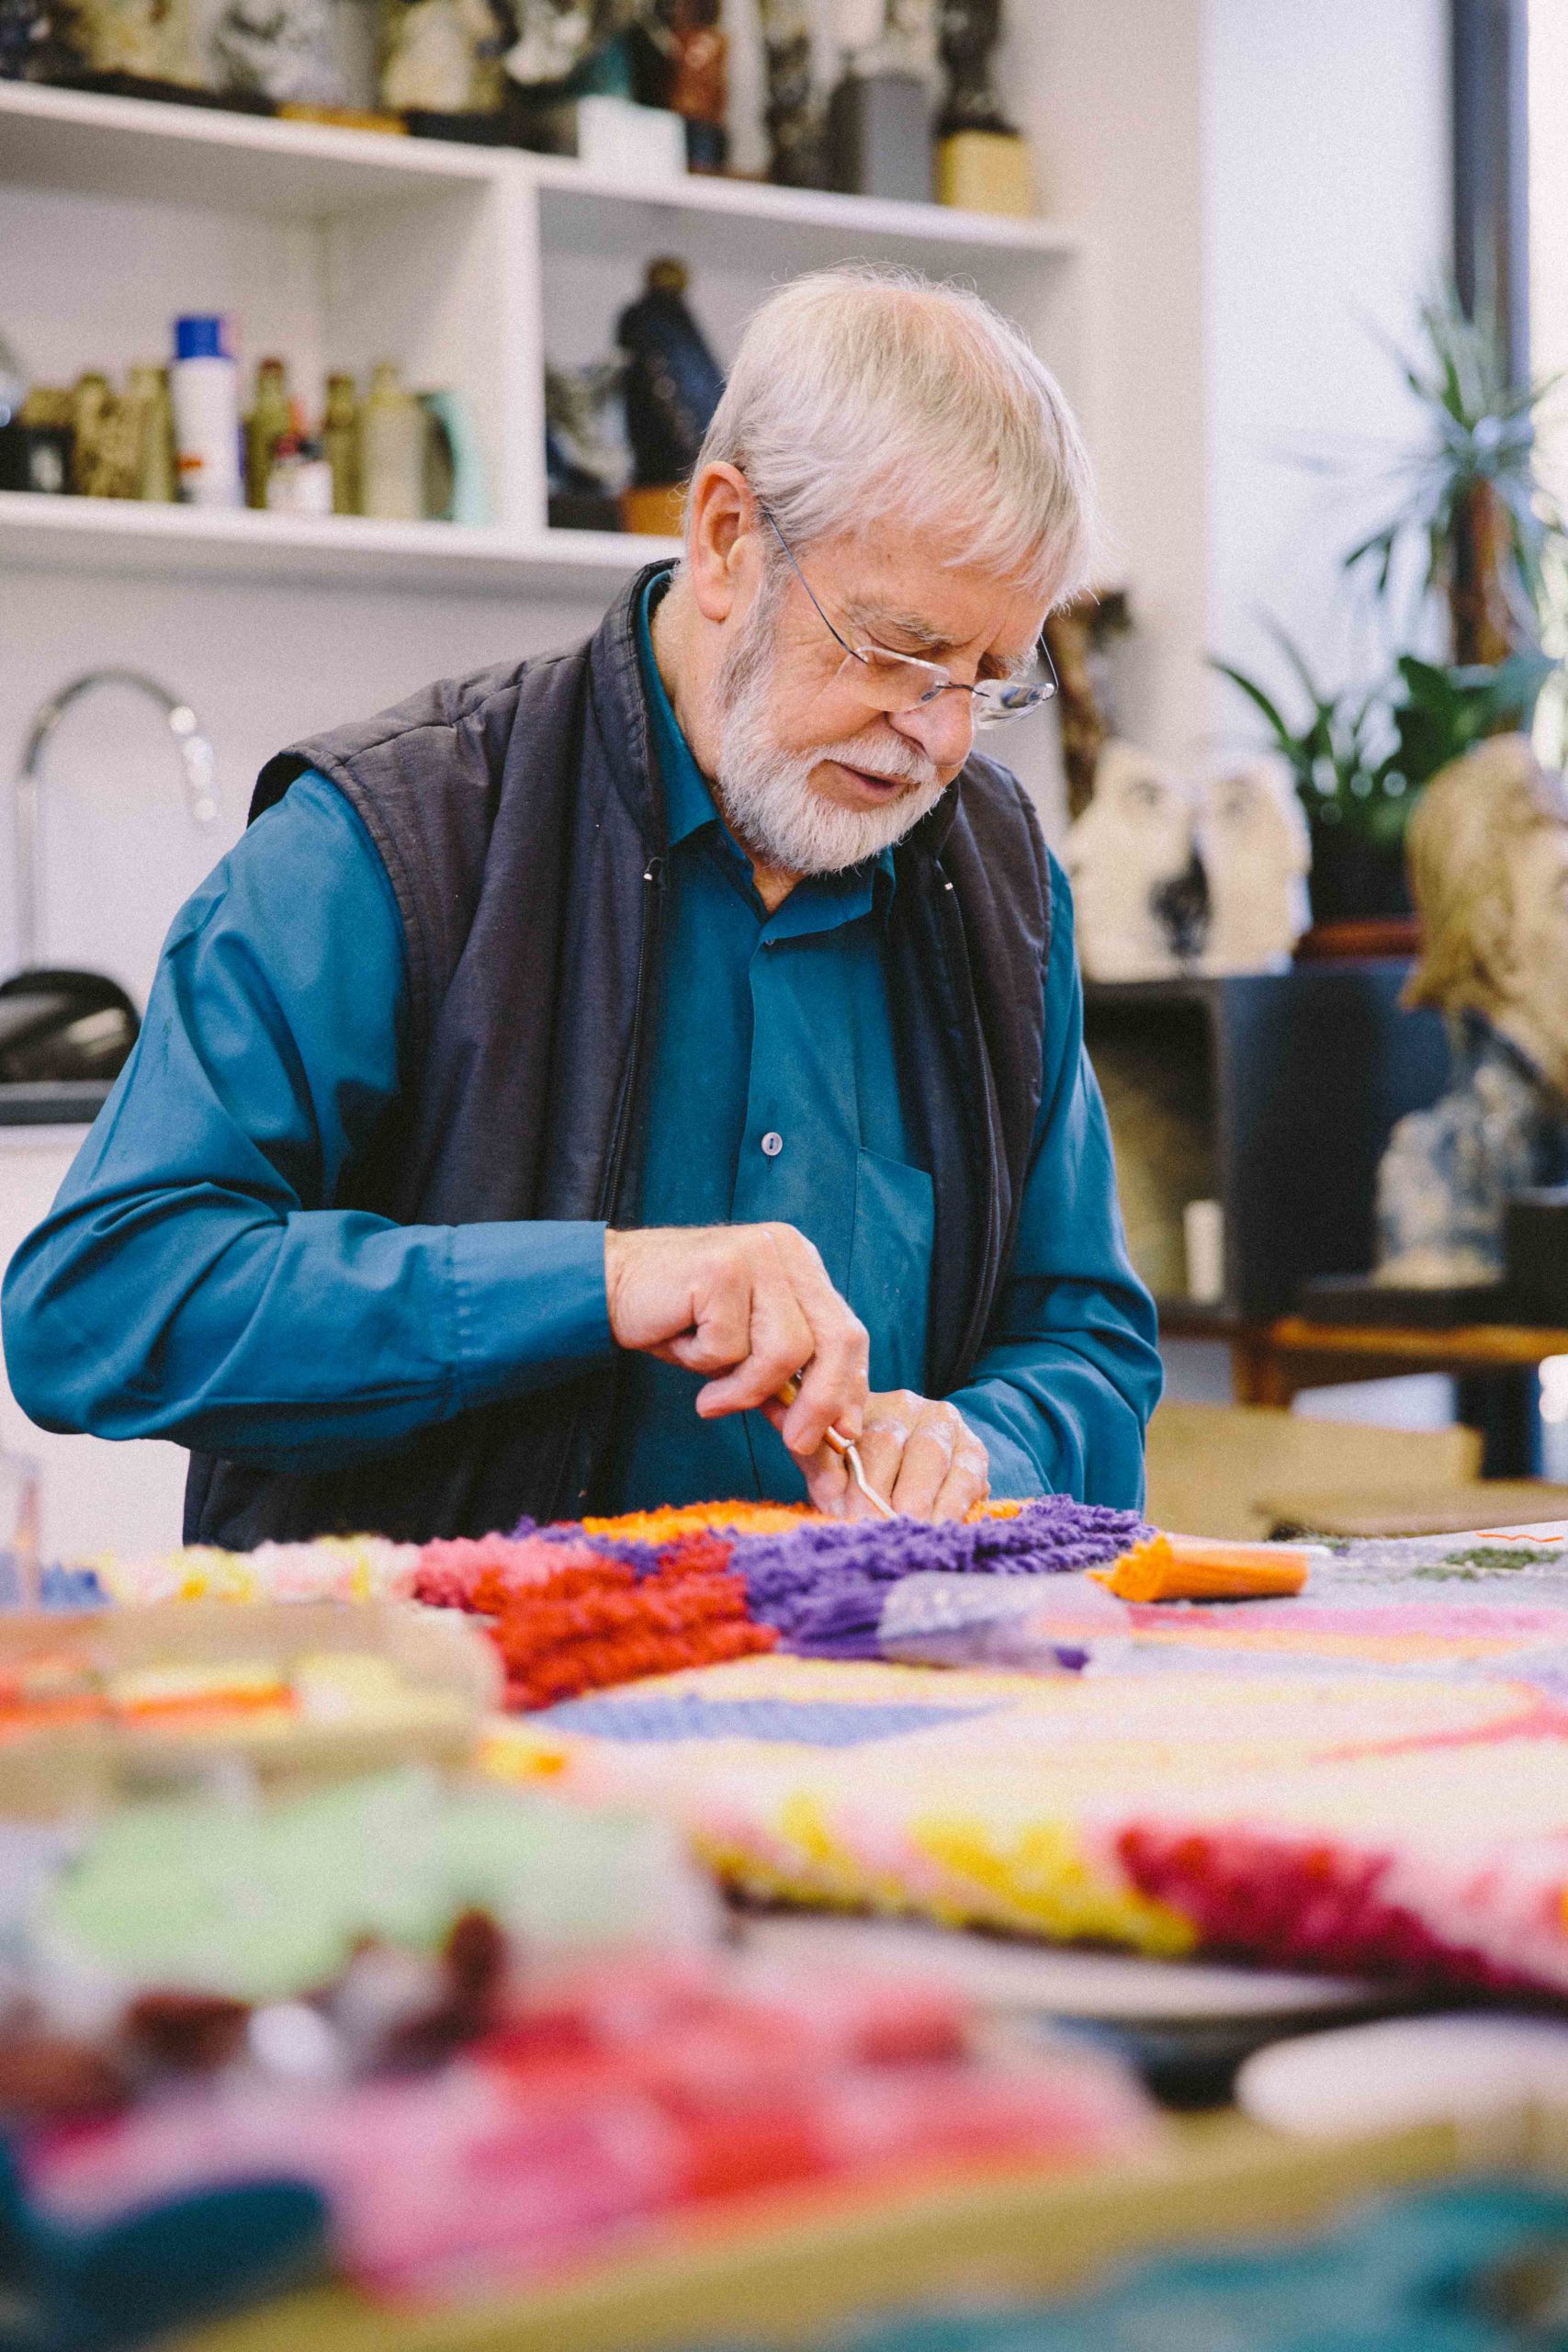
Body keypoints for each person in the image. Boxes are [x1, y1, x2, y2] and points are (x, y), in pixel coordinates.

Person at [3, 266, 1161, 1547]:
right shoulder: (395, 842)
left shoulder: (996, 890)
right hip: (444, 1708)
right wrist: (602, 1282)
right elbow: (97, 1305)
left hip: (861, 1700)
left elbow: (1088, 1341)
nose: (940, 736)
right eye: (894, 650)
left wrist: (978, 1443)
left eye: (989, 676)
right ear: (726, 537)